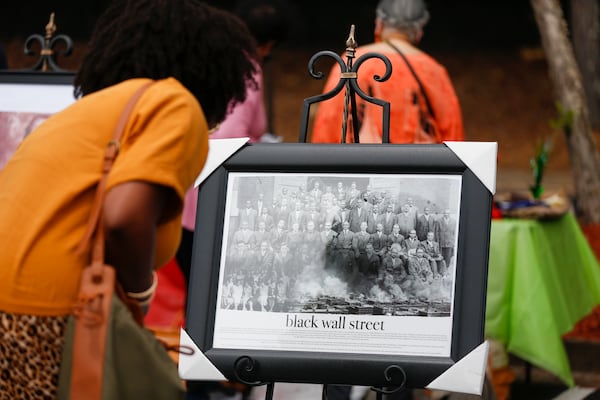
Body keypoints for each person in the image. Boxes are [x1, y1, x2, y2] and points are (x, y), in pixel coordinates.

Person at [0, 0, 258, 397]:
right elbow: (123, 217)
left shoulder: (89, 111)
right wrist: (138, 293)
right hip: (47, 314)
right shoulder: (175, 103)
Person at [311, 0, 464, 144]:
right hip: (418, 166)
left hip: (359, 163)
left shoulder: (352, 61)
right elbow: (452, 132)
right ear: (419, 32)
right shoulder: (432, 70)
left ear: (379, 24)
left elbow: (328, 122)